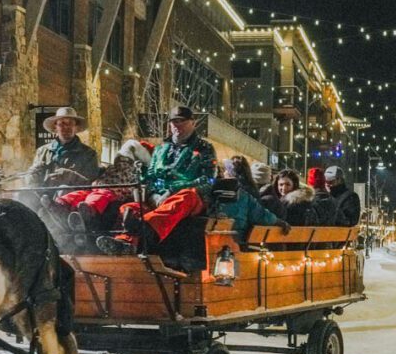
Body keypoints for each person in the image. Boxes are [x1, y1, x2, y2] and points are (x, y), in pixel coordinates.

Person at [95, 106, 216, 255]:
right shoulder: (161, 149)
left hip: (188, 199)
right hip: (157, 198)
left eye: (182, 121)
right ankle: (125, 243)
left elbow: (208, 180)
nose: (177, 125)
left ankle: (145, 230)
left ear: (193, 123)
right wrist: (152, 194)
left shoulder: (205, 149)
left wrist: (172, 191)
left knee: (186, 197)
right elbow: (150, 176)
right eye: (174, 121)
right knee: (130, 208)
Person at [54, 139, 153, 232]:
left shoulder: (131, 172)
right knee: (81, 194)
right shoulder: (115, 168)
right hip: (97, 188)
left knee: (98, 196)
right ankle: (62, 204)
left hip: (110, 191)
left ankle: (88, 210)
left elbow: (132, 187)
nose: (121, 162)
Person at [25, 106, 99, 188]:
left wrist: (70, 176)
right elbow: (32, 184)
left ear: (76, 127)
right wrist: (32, 176)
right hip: (44, 194)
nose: (66, 127)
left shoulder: (89, 154)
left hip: (72, 195)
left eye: (70, 123)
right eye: (62, 123)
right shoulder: (42, 151)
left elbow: (92, 186)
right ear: (55, 127)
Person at [217, 159, 286, 235]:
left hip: (221, 237)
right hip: (238, 237)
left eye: (226, 170)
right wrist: (277, 221)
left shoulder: (218, 192)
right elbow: (260, 214)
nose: (223, 173)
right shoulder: (246, 194)